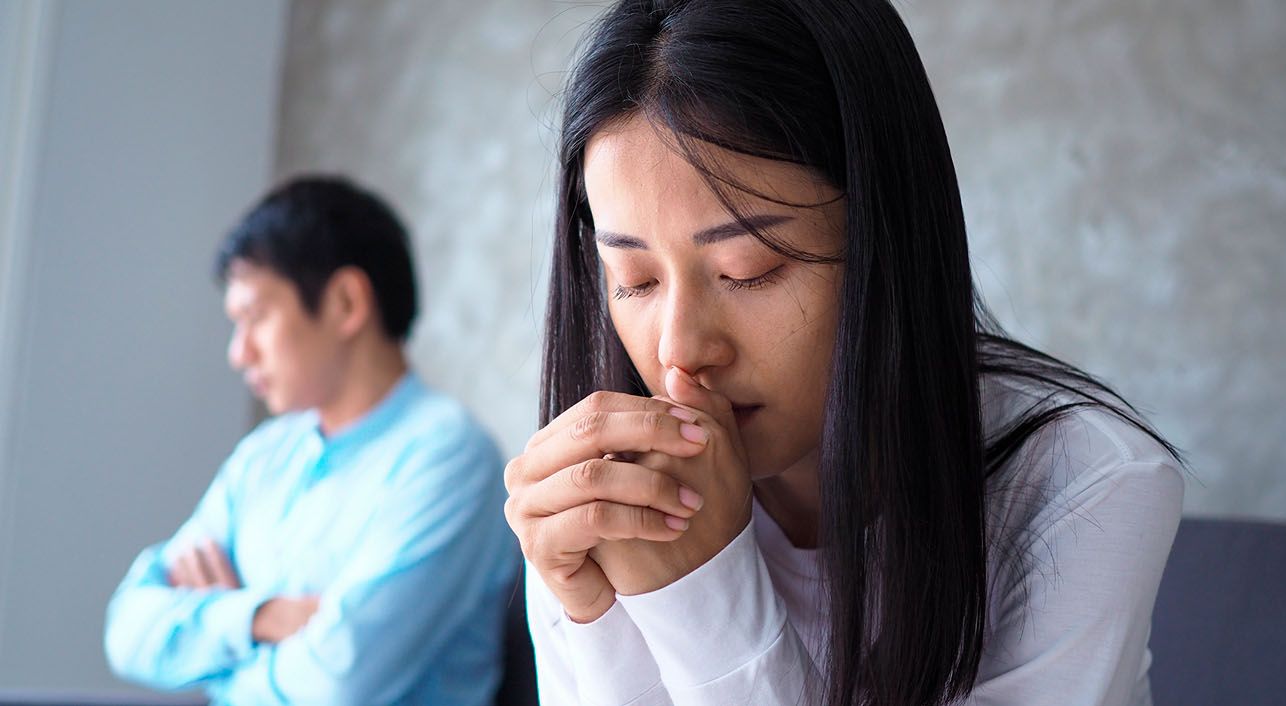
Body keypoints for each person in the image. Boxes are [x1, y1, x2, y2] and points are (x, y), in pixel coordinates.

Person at [504, 1, 1186, 704]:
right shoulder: (591, 492)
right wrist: (598, 616)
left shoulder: (1085, 486)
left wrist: (702, 592)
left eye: (749, 269)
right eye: (635, 282)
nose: (680, 350)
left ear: (886, 242)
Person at [105, 176, 518, 705]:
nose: (239, 353)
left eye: (256, 317)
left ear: (346, 303)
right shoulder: (262, 457)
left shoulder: (449, 455)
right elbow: (126, 630)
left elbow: (337, 684)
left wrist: (215, 654)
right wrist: (262, 616)